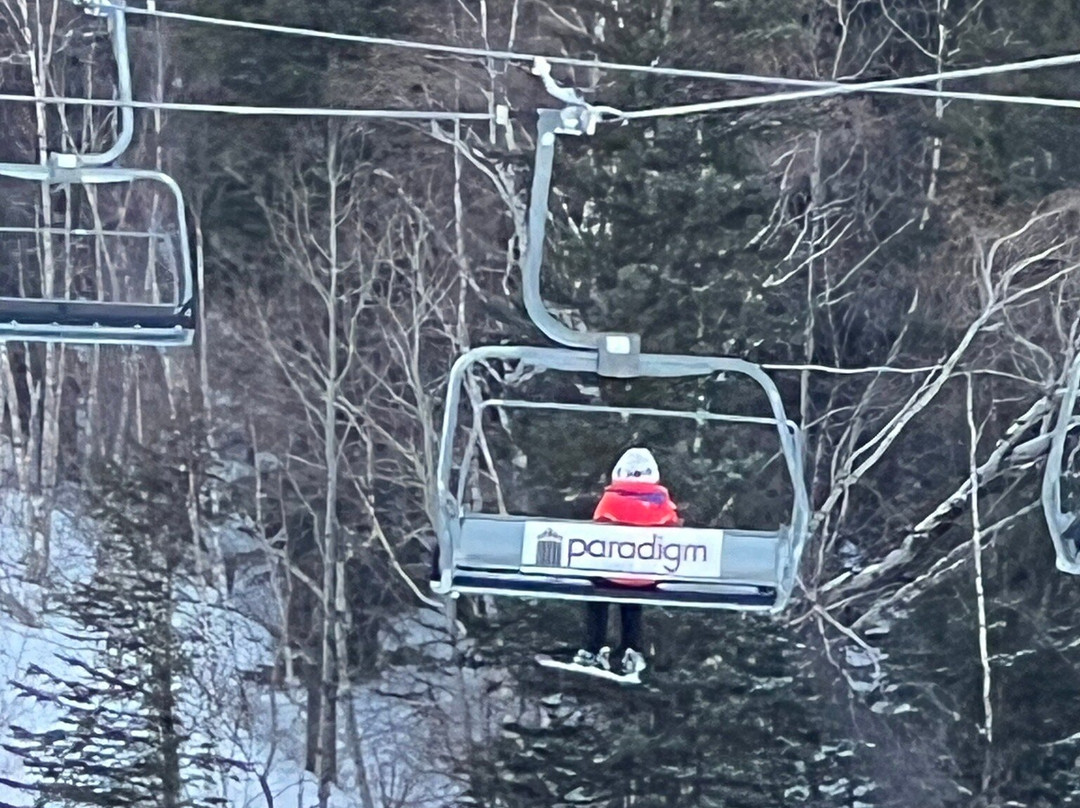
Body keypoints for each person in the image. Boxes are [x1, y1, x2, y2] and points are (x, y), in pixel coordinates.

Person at [572, 447, 680, 676]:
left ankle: (593, 647)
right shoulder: (662, 502)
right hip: (647, 575)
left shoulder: (611, 500)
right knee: (632, 600)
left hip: (612, 573)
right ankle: (632, 648)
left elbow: (598, 533)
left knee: (597, 594)